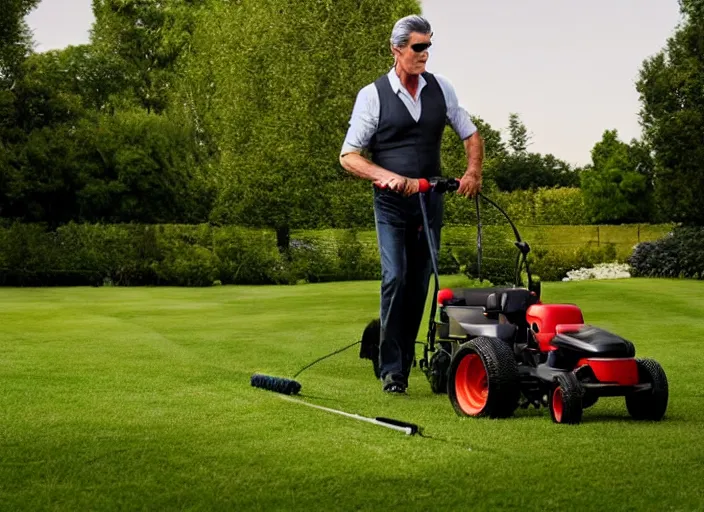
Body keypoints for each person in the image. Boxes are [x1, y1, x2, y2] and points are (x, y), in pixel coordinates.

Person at [339, 15, 484, 393]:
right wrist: (383, 176)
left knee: (421, 283)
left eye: (428, 47)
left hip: (430, 202)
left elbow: (470, 133)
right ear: (397, 49)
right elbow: (349, 156)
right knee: (396, 277)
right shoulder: (373, 96)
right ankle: (392, 371)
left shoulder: (441, 88)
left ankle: (399, 361)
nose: (425, 54)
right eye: (418, 47)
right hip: (391, 205)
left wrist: (472, 173)